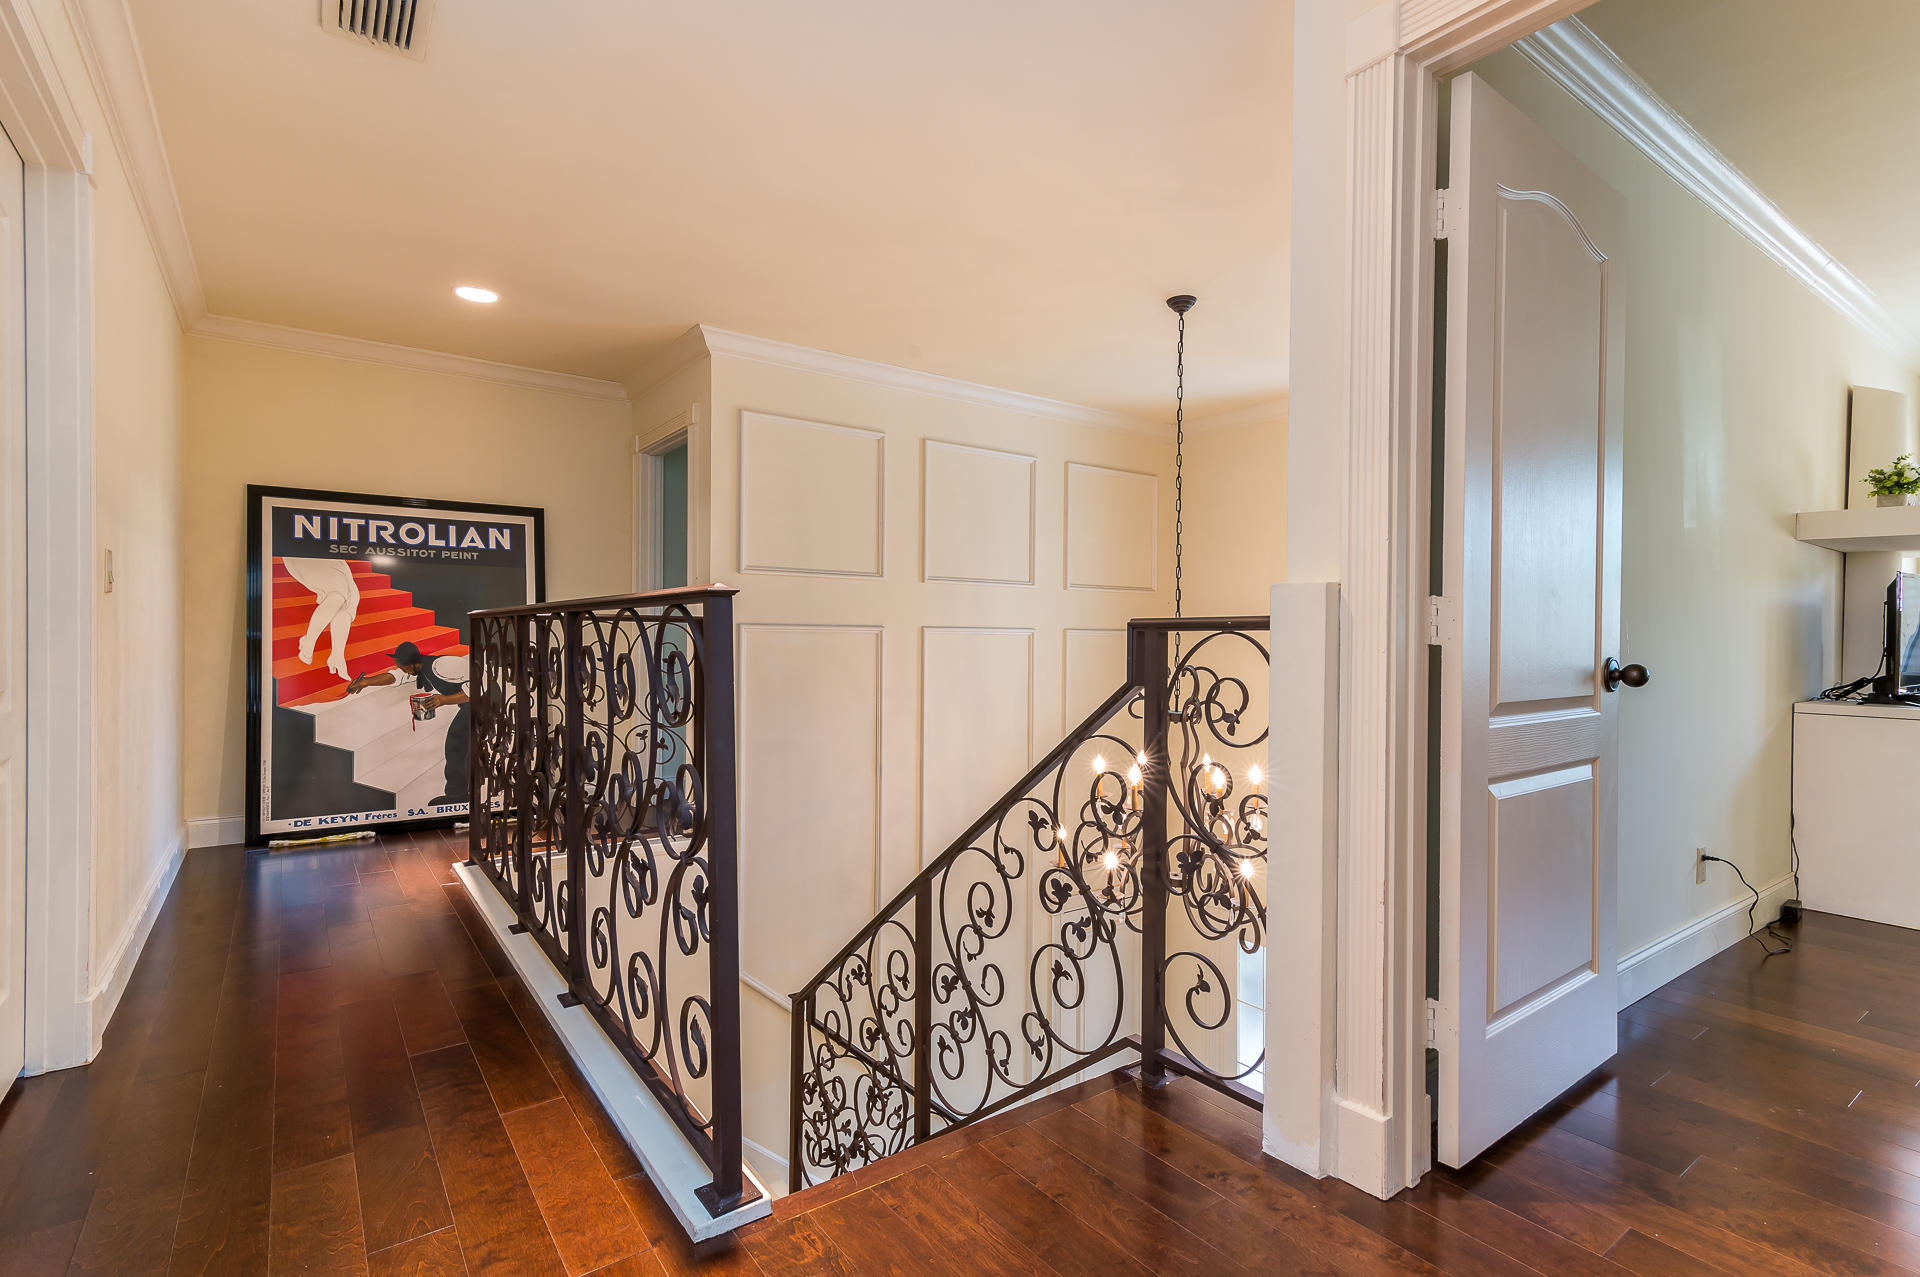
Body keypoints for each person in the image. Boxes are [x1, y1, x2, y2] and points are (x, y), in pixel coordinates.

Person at [347, 640, 469, 806]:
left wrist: (444, 699)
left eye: (402, 667)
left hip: (485, 701)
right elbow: (395, 677)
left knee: (455, 743)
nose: (402, 670)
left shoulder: (443, 665)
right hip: (470, 705)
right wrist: (367, 681)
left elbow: (479, 686)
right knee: (460, 745)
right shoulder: (420, 668)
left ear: (412, 665)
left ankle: (457, 795)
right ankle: (461, 791)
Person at [281, 556, 360, 680]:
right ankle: (309, 642)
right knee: (338, 592)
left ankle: (337, 655)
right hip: (305, 552)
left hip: (329, 556)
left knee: (350, 599)